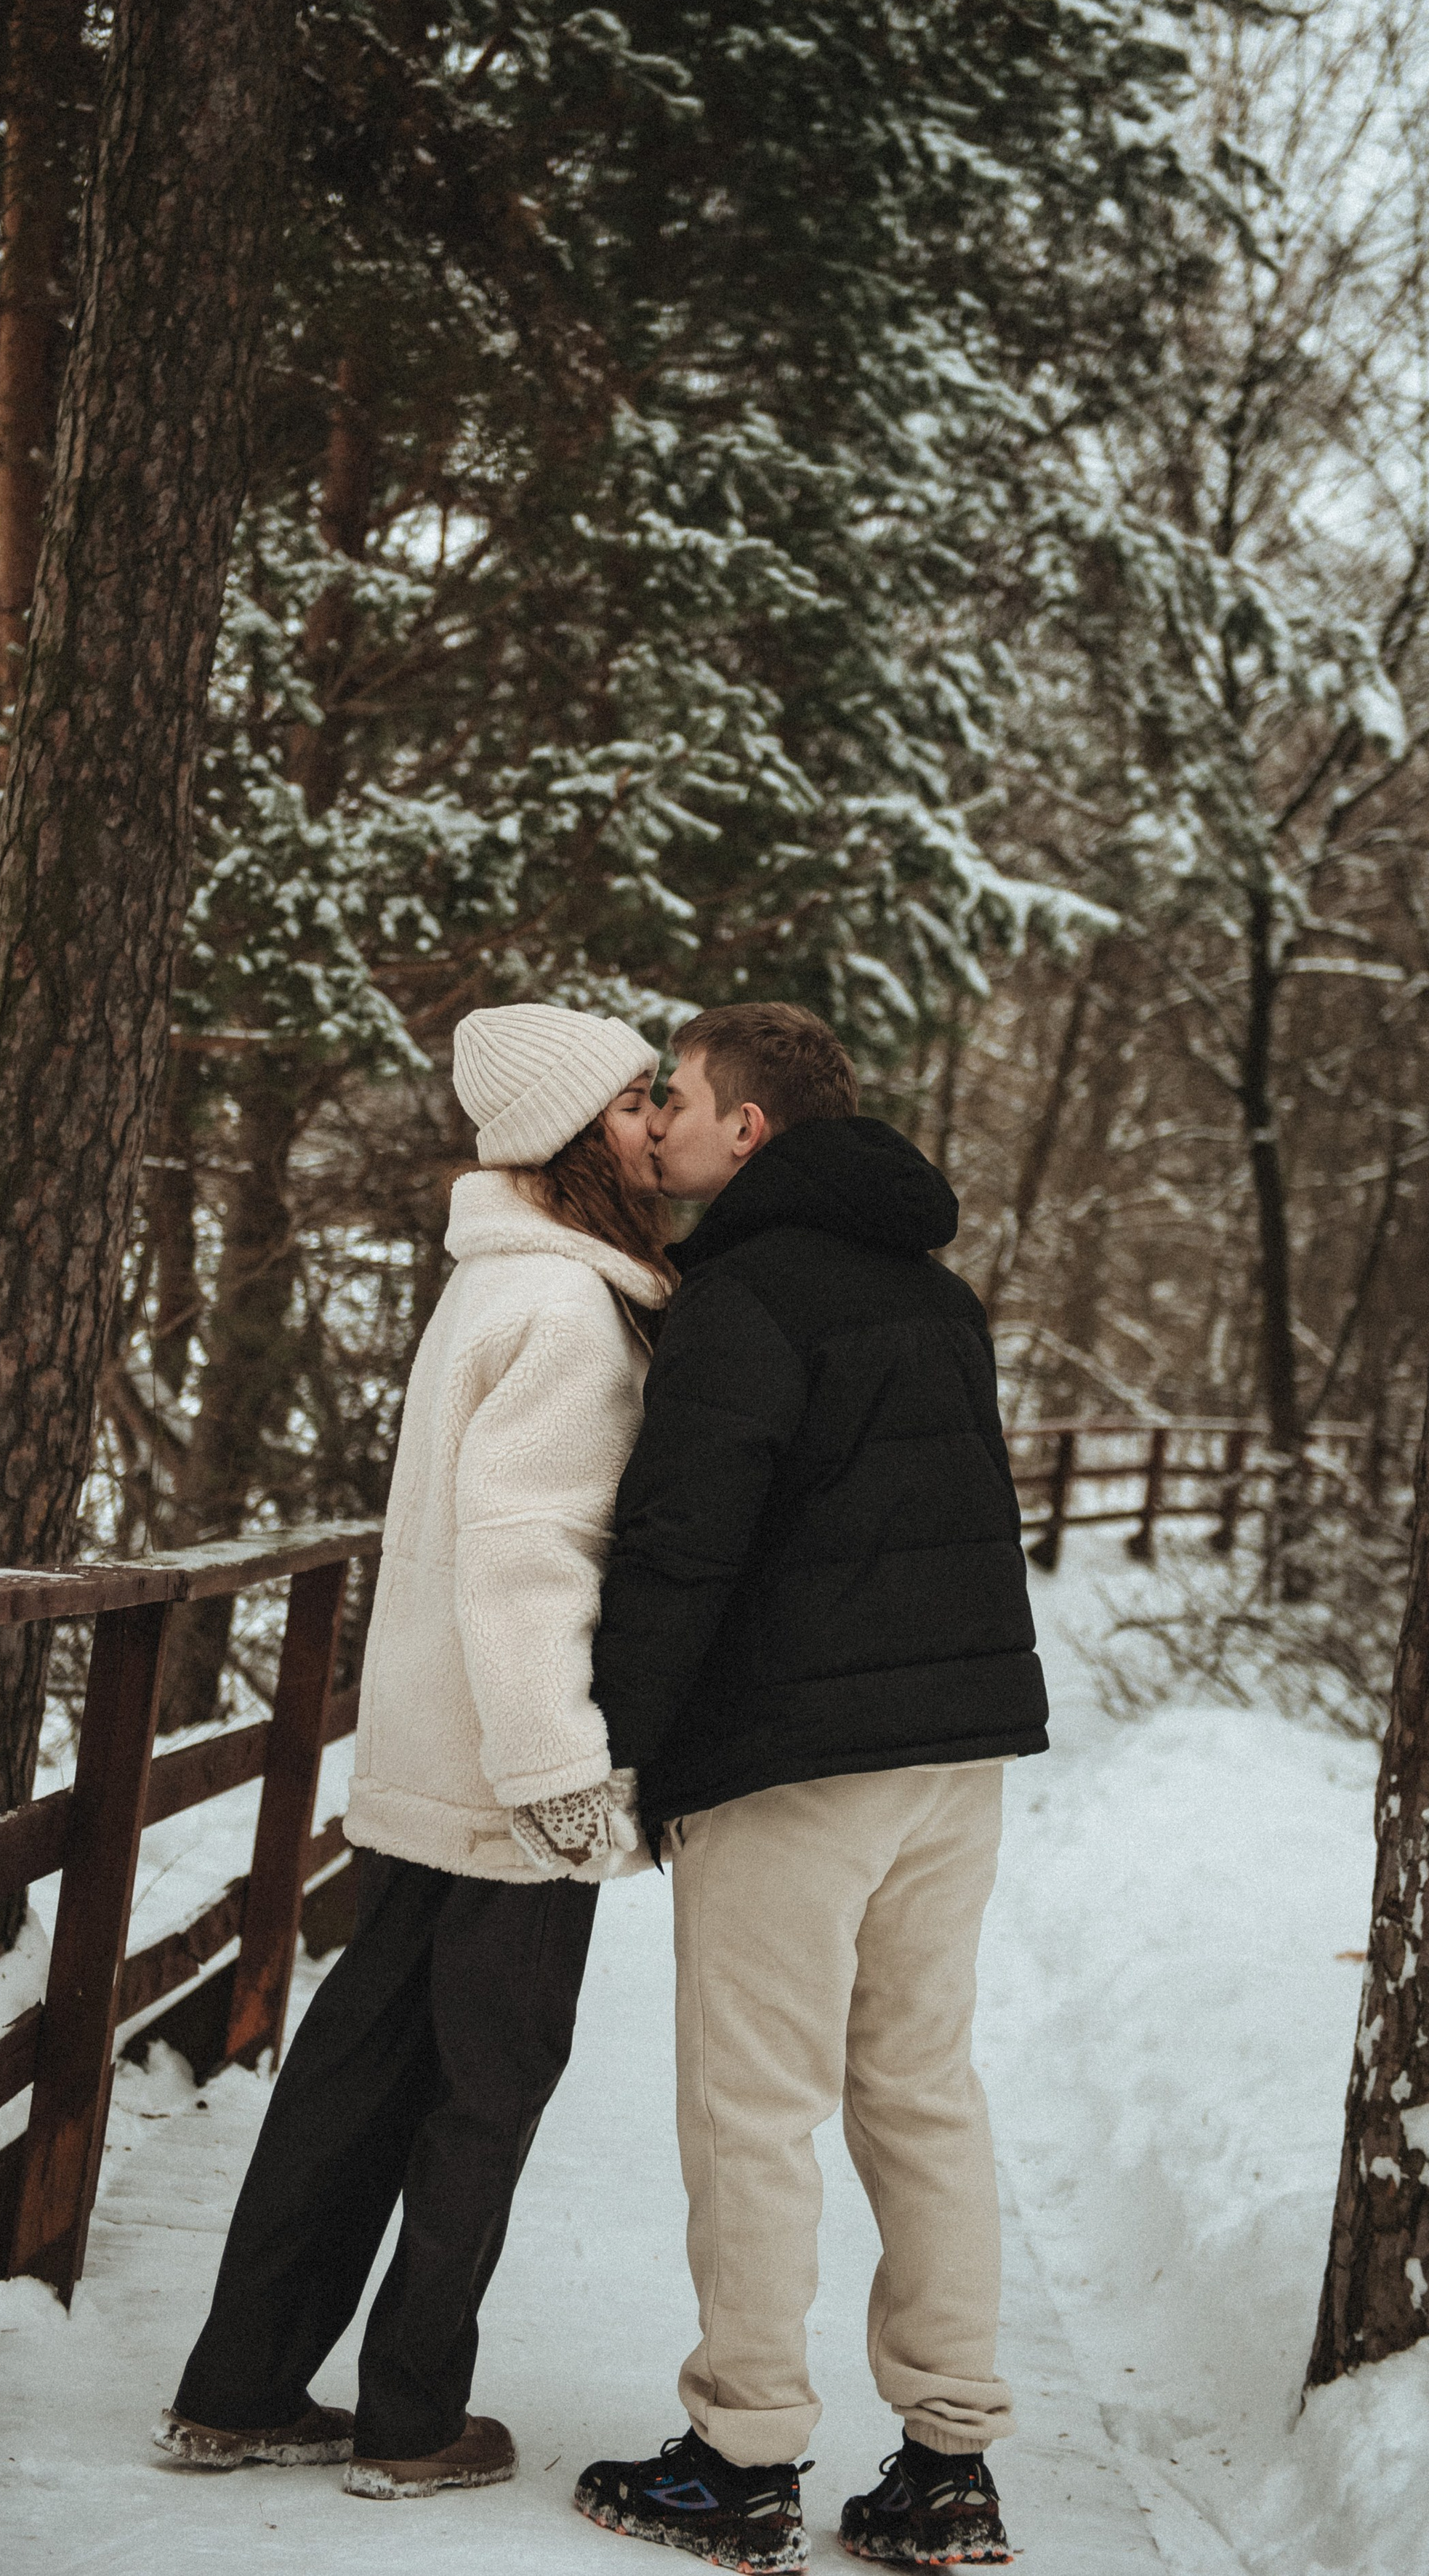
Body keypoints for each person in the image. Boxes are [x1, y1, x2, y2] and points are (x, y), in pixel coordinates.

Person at [153, 1002, 669, 2501]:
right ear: (576, 1130)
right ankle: (410, 2420)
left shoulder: (495, 1284)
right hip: (511, 1781)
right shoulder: (572, 1315)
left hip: (427, 1768)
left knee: (355, 2078)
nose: (656, 1123)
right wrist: (564, 1781)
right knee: (481, 2095)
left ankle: (237, 2388)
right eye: (637, 1099)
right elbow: (526, 1562)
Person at [571, 1002, 1046, 2576]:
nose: (661, 1126)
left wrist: (622, 1750)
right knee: (920, 2088)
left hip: (792, 1762)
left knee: (754, 2105)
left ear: (748, 1130)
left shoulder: (741, 1300)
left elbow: (678, 1547)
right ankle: (945, 2465)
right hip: (951, 1756)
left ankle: (739, 2455)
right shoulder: (940, 1296)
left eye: (679, 1098)